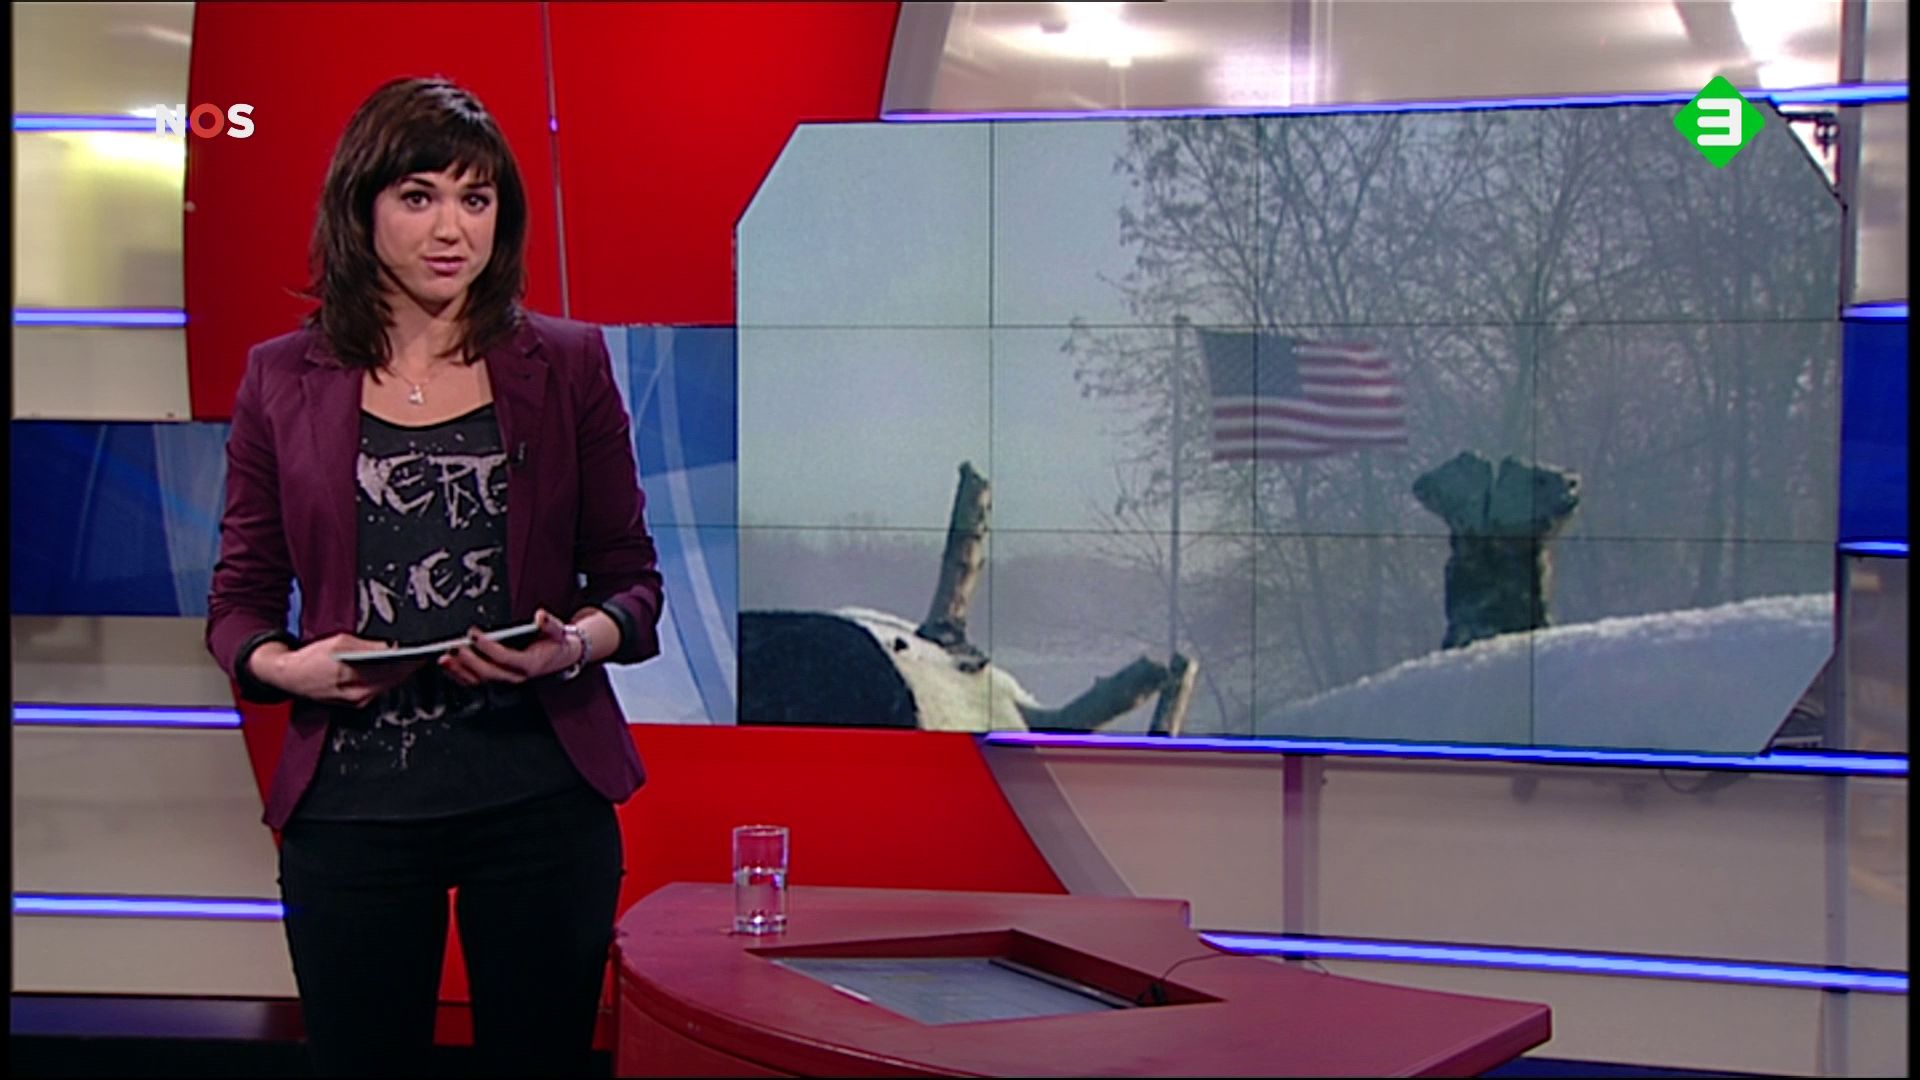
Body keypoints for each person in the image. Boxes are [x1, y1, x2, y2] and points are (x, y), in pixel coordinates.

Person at [205, 76, 663, 1078]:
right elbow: (239, 602)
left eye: (476, 198)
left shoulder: (567, 365)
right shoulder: (282, 379)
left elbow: (632, 583)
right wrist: (290, 668)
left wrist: (568, 647)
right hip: (353, 810)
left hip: (539, 799)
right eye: (419, 196)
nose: (452, 228)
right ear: (362, 208)